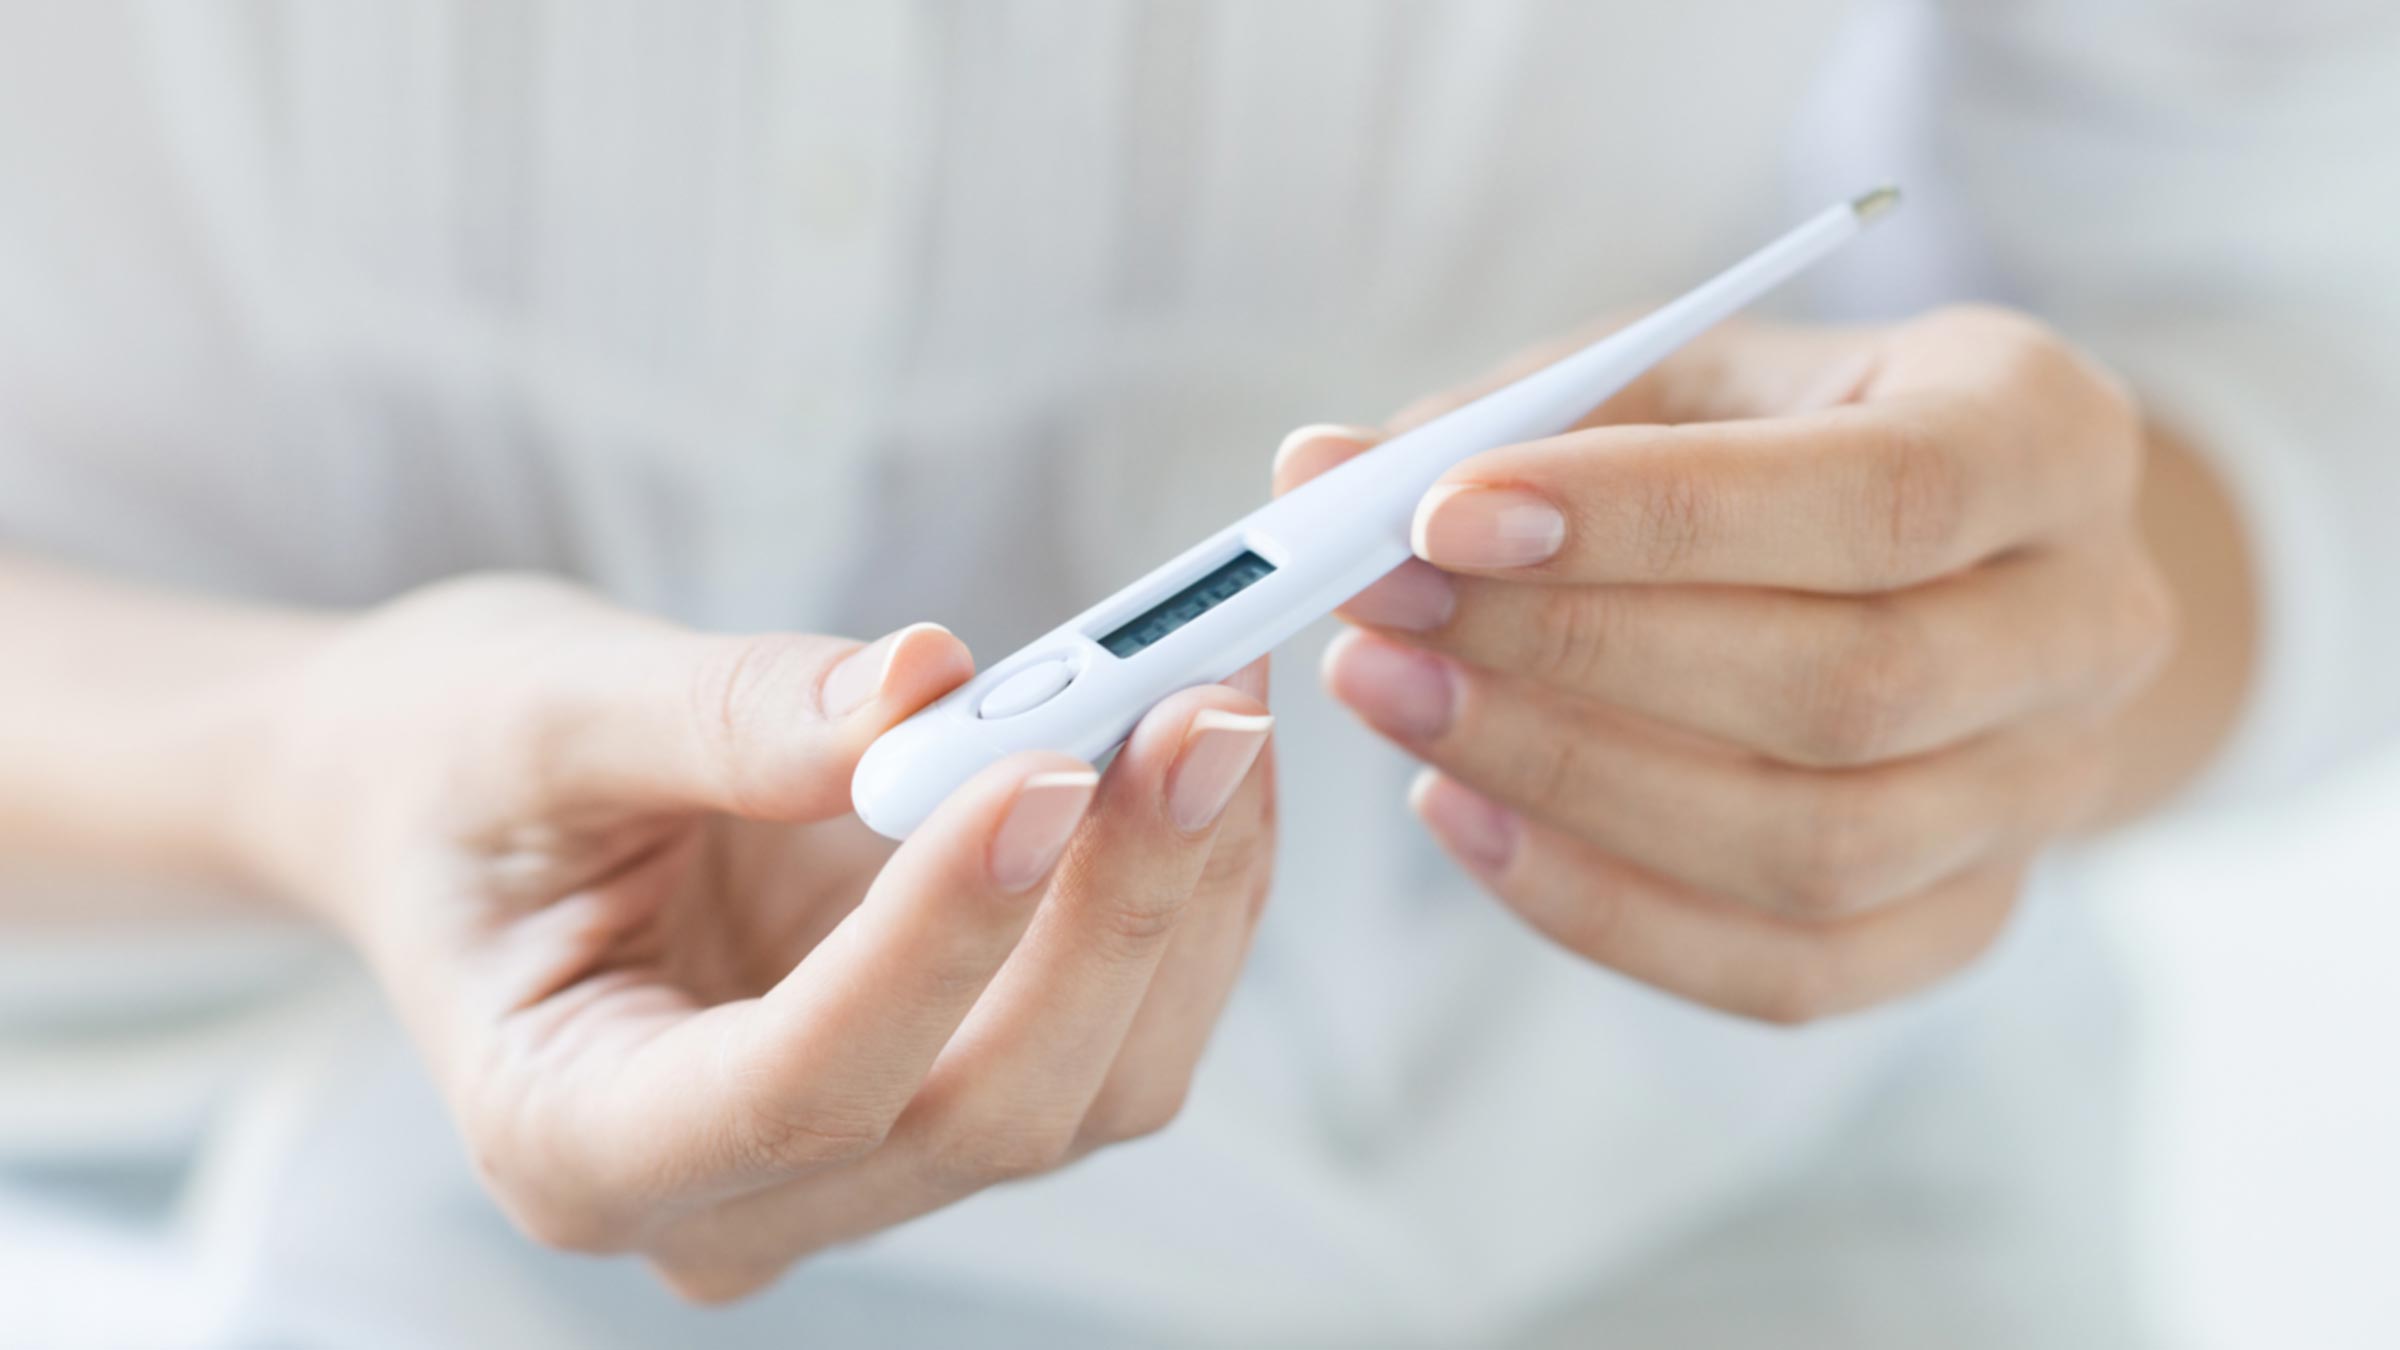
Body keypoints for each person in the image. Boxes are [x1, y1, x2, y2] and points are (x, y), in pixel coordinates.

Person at [1, 4, 2393, 1346]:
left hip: (1690, 1177)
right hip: (195, 1165)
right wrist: (298, 761)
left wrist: (2043, 639)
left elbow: (2285, 332)